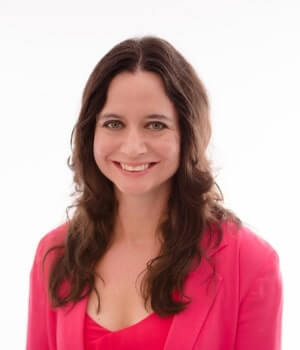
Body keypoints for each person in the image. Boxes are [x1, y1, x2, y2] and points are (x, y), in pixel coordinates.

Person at [26, 36, 283, 350]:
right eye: (114, 123)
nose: (133, 147)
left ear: (188, 133)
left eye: (156, 125)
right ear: (90, 133)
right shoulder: (55, 255)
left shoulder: (251, 263)